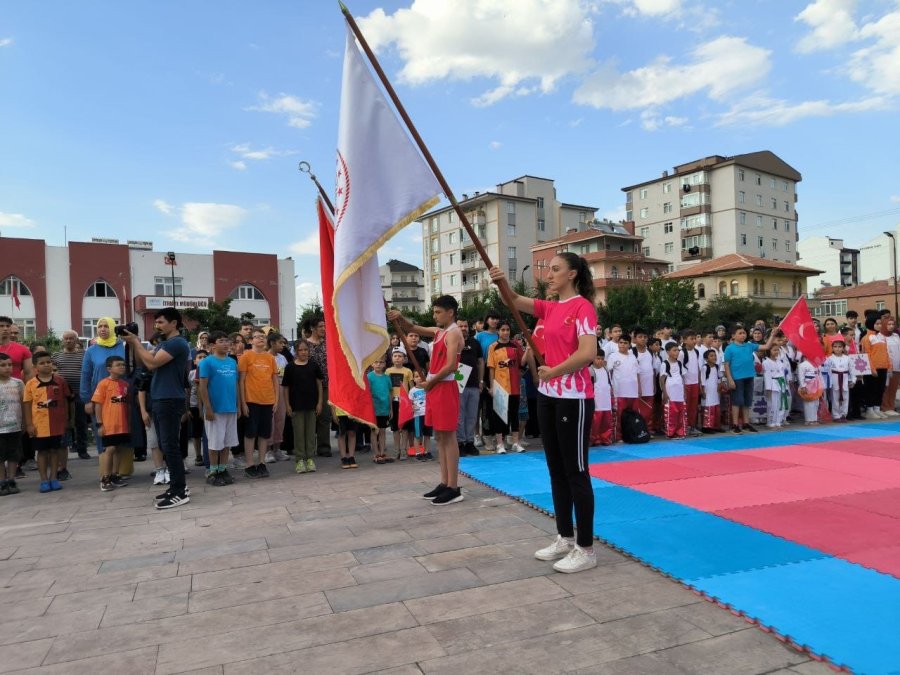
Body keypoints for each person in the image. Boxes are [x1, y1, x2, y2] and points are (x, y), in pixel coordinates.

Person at [490, 253, 598, 573]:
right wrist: (501, 281)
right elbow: (513, 300)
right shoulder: (550, 308)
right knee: (556, 471)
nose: (549, 275)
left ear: (572, 274)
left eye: (555, 270)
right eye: (548, 270)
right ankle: (565, 537)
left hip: (573, 398)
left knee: (576, 472)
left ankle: (586, 549)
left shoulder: (583, 307)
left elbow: (588, 353)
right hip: (548, 396)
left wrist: (555, 371)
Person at [389, 295, 464, 506]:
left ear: (450, 312)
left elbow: (451, 365)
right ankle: (444, 482)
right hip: (435, 387)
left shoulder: (454, 333)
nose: (435, 316)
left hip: (444, 387)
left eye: (438, 312)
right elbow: (412, 327)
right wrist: (399, 317)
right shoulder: (439, 332)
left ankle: (453, 487)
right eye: (434, 312)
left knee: (448, 436)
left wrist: (431, 381)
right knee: (439, 436)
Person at [121, 308, 192, 509]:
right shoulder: (164, 344)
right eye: (156, 322)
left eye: (161, 322)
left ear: (174, 323)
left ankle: (179, 491)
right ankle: (177, 486)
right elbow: (144, 362)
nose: (157, 326)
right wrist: (132, 343)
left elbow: (151, 363)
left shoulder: (177, 343)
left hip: (170, 399)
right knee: (165, 444)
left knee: (170, 446)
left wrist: (136, 341)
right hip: (161, 398)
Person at [23, 352, 72, 493]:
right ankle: (44, 480)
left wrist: (67, 419)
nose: (46, 365)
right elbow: (27, 405)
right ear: (35, 367)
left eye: (48, 362)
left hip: (57, 424)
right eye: (42, 363)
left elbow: (66, 401)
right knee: (42, 452)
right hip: (39, 426)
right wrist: (29, 424)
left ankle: (54, 478)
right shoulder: (30, 384)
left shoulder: (60, 381)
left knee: (55, 451)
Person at [80, 318, 126, 467]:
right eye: (100, 326)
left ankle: (119, 470)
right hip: (99, 399)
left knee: (120, 431)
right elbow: (86, 375)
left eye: (106, 326)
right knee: (102, 431)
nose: (102, 329)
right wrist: (87, 400)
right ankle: (105, 471)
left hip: (121, 397)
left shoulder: (123, 347)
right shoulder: (91, 351)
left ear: (113, 328)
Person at [196, 331, 239, 486]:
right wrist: (208, 408)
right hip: (215, 409)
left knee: (227, 442)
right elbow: (202, 387)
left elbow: (235, 384)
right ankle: (213, 472)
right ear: (213, 345)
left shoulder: (232, 362)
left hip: (230, 408)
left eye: (227, 340)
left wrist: (238, 405)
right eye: (221, 341)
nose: (226, 343)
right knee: (215, 443)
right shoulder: (207, 362)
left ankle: (223, 469)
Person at [238, 328, 278, 478]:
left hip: (268, 400)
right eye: (257, 336)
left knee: (264, 433)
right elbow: (241, 381)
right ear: (250, 340)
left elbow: (275, 380)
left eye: (263, 336)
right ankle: (249, 464)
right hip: (251, 400)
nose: (261, 339)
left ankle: (262, 462)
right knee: (250, 433)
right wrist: (243, 403)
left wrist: (276, 400)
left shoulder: (270, 358)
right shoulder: (246, 357)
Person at [723, 325, 779, 434]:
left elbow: (766, 346)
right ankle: (735, 425)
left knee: (747, 401)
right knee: (737, 401)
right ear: (733, 336)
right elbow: (726, 364)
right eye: (740, 333)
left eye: (744, 333)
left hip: (749, 376)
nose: (743, 335)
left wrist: (773, 335)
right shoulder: (729, 348)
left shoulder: (749, 345)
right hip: (737, 378)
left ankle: (746, 423)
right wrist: (730, 379)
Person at [282, 339, 323, 474]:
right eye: (300, 350)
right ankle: (300, 460)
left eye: (306, 349)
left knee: (310, 433)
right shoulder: (290, 367)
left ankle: (310, 458)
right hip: (296, 406)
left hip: (311, 405)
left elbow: (319, 384)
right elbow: (286, 388)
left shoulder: (313, 366)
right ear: (296, 352)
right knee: (299, 433)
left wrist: (320, 402)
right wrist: (287, 405)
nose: (304, 352)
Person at [91, 356, 131, 491]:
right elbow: (98, 405)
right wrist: (99, 424)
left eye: (123, 364)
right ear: (109, 369)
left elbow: (127, 405)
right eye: (118, 365)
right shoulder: (103, 384)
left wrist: (129, 422)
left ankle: (115, 475)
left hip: (122, 425)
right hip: (109, 425)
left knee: (119, 448)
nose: (122, 367)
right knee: (110, 449)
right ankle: (105, 478)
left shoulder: (125, 385)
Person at [486, 321, 525, 454]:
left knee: (514, 414)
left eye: (507, 329)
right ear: (498, 331)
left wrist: (528, 350)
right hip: (500, 386)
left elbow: (522, 362)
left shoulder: (515, 345)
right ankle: (500, 443)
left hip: (514, 386)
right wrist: (492, 386)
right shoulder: (493, 347)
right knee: (499, 416)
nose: (506, 332)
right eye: (503, 330)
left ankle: (516, 442)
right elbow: (491, 368)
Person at [51, 330, 89, 460]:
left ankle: (82, 449)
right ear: (62, 340)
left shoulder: (84, 354)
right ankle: (61, 449)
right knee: (62, 422)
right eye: (66, 338)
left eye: (71, 338)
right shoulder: (56, 356)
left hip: (79, 393)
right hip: (61, 395)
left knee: (81, 422)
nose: (68, 341)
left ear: (76, 340)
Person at [455, 319, 484, 457]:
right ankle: (460, 442)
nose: (463, 328)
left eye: (465, 326)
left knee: (472, 415)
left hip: (473, 384)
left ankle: (470, 442)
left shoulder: (475, 343)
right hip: (457, 384)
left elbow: (481, 362)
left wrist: (481, 380)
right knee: (459, 415)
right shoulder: (453, 342)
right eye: (460, 326)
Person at [306, 316, 332, 457]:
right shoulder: (304, 345)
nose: (324, 329)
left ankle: (324, 447)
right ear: (312, 328)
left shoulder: (328, 344)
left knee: (325, 417)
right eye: (321, 326)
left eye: (324, 326)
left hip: (326, 385)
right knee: (309, 418)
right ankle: (308, 448)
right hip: (308, 387)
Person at [606, 336, 639, 441]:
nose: (622, 345)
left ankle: (631, 434)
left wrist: (639, 388)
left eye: (625, 343)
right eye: (620, 342)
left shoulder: (633, 356)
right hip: (619, 391)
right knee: (619, 415)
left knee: (632, 415)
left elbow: (637, 373)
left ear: (629, 344)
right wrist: (610, 388)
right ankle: (617, 436)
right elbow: (609, 373)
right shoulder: (613, 356)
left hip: (633, 391)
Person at [0, 353, 23, 496]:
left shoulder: (18, 383)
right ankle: (2, 482)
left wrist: (25, 422)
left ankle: (11, 480)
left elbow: (24, 403)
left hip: (15, 426)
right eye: (2, 365)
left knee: (13, 454)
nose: (7, 368)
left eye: (9, 365)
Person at [265, 332, 290, 463]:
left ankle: (277, 449)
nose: (283, 345)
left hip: (281, 389)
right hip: (269, 390)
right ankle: (267, 450)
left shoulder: (282, 358)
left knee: (280, 419)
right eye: (280, 342)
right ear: (272, 343)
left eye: (283, 342)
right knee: (270, 420)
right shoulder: (265, 357)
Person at [386, 349, 413, 460]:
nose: (397, 358)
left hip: (404, 403)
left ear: (404, 359)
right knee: (395, 428)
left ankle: (404, 449)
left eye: (400, 356)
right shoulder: (388, 371)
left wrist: (411, 402)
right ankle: (396, 449)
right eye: (395, 356)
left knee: (405, 428)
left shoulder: (408, 371)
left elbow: (411, 387)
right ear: (392, 358)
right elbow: (387, 388)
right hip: (393, 402)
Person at [861, 316, 890, 419]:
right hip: (872, 368)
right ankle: (870, 410)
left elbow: (886, 352)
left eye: (880, 323)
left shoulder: (882, 337)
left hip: (883, 367)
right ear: (870, 324)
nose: (879, 325)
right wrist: (872, 368)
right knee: (871, 389)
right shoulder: (867, 338)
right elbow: (866, 355)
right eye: (877, 324)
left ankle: (877, 409)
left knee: (880, 389)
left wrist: (889, 366)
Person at [366, 356, 392, 464]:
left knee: (382, 431)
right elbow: (366, 393)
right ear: (372, 363)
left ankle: (382, 452)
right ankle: (376, 453)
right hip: (373, 409)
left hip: (384, 408)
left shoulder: (387, 377)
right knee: (374, 431)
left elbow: (390, 393)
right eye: (376, 362)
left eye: (381, 362)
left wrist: (391, 409)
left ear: (384, 364)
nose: (378, 364)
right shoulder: (369, 377)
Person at [660, 342, 687, 440]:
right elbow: (662, 379)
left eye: (678, 350)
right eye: (674, 350)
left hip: (679, 391)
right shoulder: (665, 363)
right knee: (671, 413)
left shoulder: (679, 363)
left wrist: (684, 391)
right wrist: (664, 393)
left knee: (680, 412)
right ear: (668, 352)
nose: (677, 352)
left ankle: (680, 431)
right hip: (670, 390)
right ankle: (670, 433)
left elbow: (682, 377)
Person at [679, 330, 702, 436]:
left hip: (695, 383)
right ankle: (684, 426)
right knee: (686, 406)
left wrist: (699, 382)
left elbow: (697, 367)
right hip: (686, 383)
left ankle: (691, 426)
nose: (694, 341)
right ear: (684, 340)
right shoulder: (681, 353)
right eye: (691, 339)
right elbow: (679, 369)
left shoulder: (696, 352)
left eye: (694, 338)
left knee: (693, 407)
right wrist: (682, 385)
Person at [188, 350, 208, 467]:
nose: (202, 359)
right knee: (196, 433)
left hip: (207, 405)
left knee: (207, 432)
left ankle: (207, 454)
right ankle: (198, 455)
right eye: (199, 357)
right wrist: (187, 408)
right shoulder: (191, 373)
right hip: (194, 405)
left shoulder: (209, 371)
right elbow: (188, 391)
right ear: (195, 361)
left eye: (205, 357)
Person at [826, 340, 854, 423]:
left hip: (845, 378)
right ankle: (836, 415)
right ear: (832, 348)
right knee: (835, 398)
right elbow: (827, 371)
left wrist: (852, 380)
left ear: (843, 348)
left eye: (839, 347)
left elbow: (852, 370)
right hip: (834, 379)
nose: (837, 349)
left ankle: (843, 415)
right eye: (835, 347)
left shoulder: (847, 358)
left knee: (845, 398)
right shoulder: (829, 358)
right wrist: (828, 382)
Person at [590, 349, 613, 446]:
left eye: (602, 359)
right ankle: (594, 439)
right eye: (598, 358)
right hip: (596, 401)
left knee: (606, 422)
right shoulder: (590, 370)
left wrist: (611, 396)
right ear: (593, 359)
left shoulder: (606, 370)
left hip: (606, 401)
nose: (600, 361)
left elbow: (609, 384)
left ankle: (605, 438)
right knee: (595, 423)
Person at [763, 346, 790, 429]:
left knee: (781, 403)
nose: (776, 352)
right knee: (772, 404)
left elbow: (784, 373)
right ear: (769, 351)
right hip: (773, 384)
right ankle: (771, 422)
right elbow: (767, 376)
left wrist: (785, 384)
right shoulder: (766, 362)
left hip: (781, 383)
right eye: (774, 350)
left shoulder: (780, 362)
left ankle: (778, 422)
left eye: (777, 350)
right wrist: (768, 388)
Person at [699, 348, 722, 433]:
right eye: (711, 356)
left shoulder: (716, 366)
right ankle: (706, 427)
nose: (714, 357)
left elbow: (719, 377)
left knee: (716, 406)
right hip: (707, 391)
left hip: (715, 391)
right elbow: (702, 381)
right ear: (706, 358)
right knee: (708, 407)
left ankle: (716, 426)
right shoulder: (705, 368)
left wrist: (719, 386)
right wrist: (702, 391)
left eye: (715, 355)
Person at [797, 355, 823, 425]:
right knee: (809, 403)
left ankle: (814, 419)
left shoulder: (817, 364)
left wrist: (821, 385)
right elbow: (801, 376)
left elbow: (819, 375)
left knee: (816, 403)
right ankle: (809, 420)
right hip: (807, 385)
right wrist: (803, 386)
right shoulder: (802, 365)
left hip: (816, 384)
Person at [882, 317, 900, 416]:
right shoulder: (880, 337)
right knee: (886, 387)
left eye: (893, 324)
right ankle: (885, 407)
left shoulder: (896, 336)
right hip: (886, 366)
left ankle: (891, 406)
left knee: (894, 388)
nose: (891, 326)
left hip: (897, 366)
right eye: (889, 324)